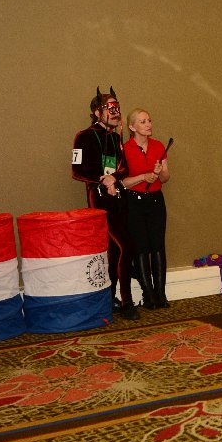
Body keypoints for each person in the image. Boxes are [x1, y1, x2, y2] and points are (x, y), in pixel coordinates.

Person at [71, 87, 139, 320]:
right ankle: (127, 301)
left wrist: (114, 178)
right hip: (99, 198)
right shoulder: (84, 136)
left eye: (117, 107)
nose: (115, 112)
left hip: (118, 196)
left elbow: (124, 168)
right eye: (110, 107)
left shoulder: (116, 137)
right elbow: (77, 171)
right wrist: (102, 179)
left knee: (115, 249)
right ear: (97, 112)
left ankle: (109, 299)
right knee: (126, 246)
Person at [121, 108, 172, 309]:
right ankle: (148, 295)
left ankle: (160, 294)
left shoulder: (158, 146)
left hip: (156, 201)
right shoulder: (125, 149)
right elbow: (122, 183)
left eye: (149, 120)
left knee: (158, 246)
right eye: (142, 122)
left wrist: (159, 173)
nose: (148, 124)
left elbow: (166, 178)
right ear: (132, 127)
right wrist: (143, 177)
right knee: (140, 247)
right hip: (134, 202)